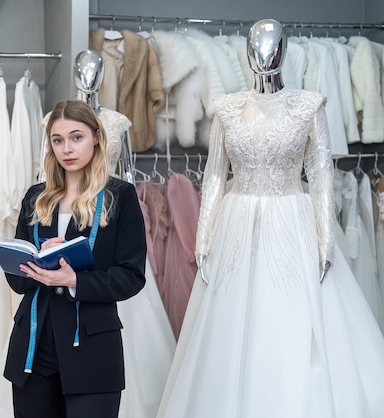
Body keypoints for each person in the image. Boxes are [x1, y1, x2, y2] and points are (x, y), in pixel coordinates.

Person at [157, 19, 384, 418]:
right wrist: (204, 237)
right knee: (230, 328)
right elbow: (214, 174)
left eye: (272, 46)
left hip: (291, 219)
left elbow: (319, 175)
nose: (264, 55)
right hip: (237, 220)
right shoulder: (227, 107)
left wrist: (324, 239)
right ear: (247, 53)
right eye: (257, 47)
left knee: (291, 319)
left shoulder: (309, 105)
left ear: (283, 51)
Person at [3, 99, 147, 418]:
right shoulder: (35, 197)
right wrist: (37, 261)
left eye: (76, 137)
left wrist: (74, 280)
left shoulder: (119, 197)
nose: (67, 148)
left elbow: (132, 276)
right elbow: (16, 280)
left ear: (96, 137)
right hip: (34, 347)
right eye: (58, 140)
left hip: (92, 350)